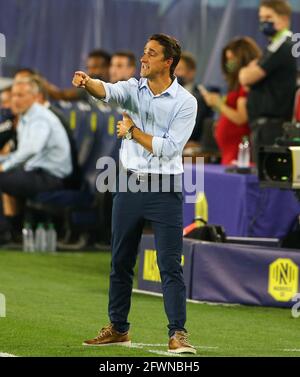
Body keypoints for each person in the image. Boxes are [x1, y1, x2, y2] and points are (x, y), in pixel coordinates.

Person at [72, 33, 197, 354]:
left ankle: (178, 334)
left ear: (168, 63)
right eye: (144, 52)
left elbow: (169, 150)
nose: (144, 59)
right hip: (128, 184)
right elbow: (107, 90)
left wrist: (132, 131)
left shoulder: (186, 102)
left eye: (151, 54)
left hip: (164, 188)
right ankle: (117, 328)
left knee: (170, 265)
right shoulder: (132, 88)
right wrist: (88, 82)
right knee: (120, 261)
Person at [0, 78, 72, 236]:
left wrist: (4, 166)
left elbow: (31, 150)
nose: (15, 100)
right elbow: (21, 152)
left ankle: (9, 232)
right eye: (13, 95)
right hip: (36, 173)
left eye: (20, 95)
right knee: (7, 178)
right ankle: (12, 230)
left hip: (51, 178)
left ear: (34, 97)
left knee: (4, 177)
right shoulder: (26, 117)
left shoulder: (40, 118)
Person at [239, 0, 297, 163]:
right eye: (261, 17)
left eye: (269, 17)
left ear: (284, 19)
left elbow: (246, 78)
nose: (264, 22)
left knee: (267, 181)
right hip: (263, 126)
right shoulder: (273, 47)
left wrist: (246, 71)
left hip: (272, 127)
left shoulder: (284, 46)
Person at [201, 37, 262, 165]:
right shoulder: (236, 85)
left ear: (243, 57)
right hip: (228, 151)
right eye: (227, 59)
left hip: (239, 150)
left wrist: (218, 103)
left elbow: (241, 117)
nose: (229, 63)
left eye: (232, 58)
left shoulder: (246, 85)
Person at [42, 49, 111, 101]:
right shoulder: (88, 88)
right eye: (88, 68)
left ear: (108, 67)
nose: (90, 72)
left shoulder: (118, 88)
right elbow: (62, 95)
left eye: (95, 67)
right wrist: (41, 83)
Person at [175, 52, 214, 142]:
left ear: (191, 72)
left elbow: (196, 127)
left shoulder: (201, 96)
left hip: (193, 149)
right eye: (174, 69)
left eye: (180, 69)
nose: (175, 73)